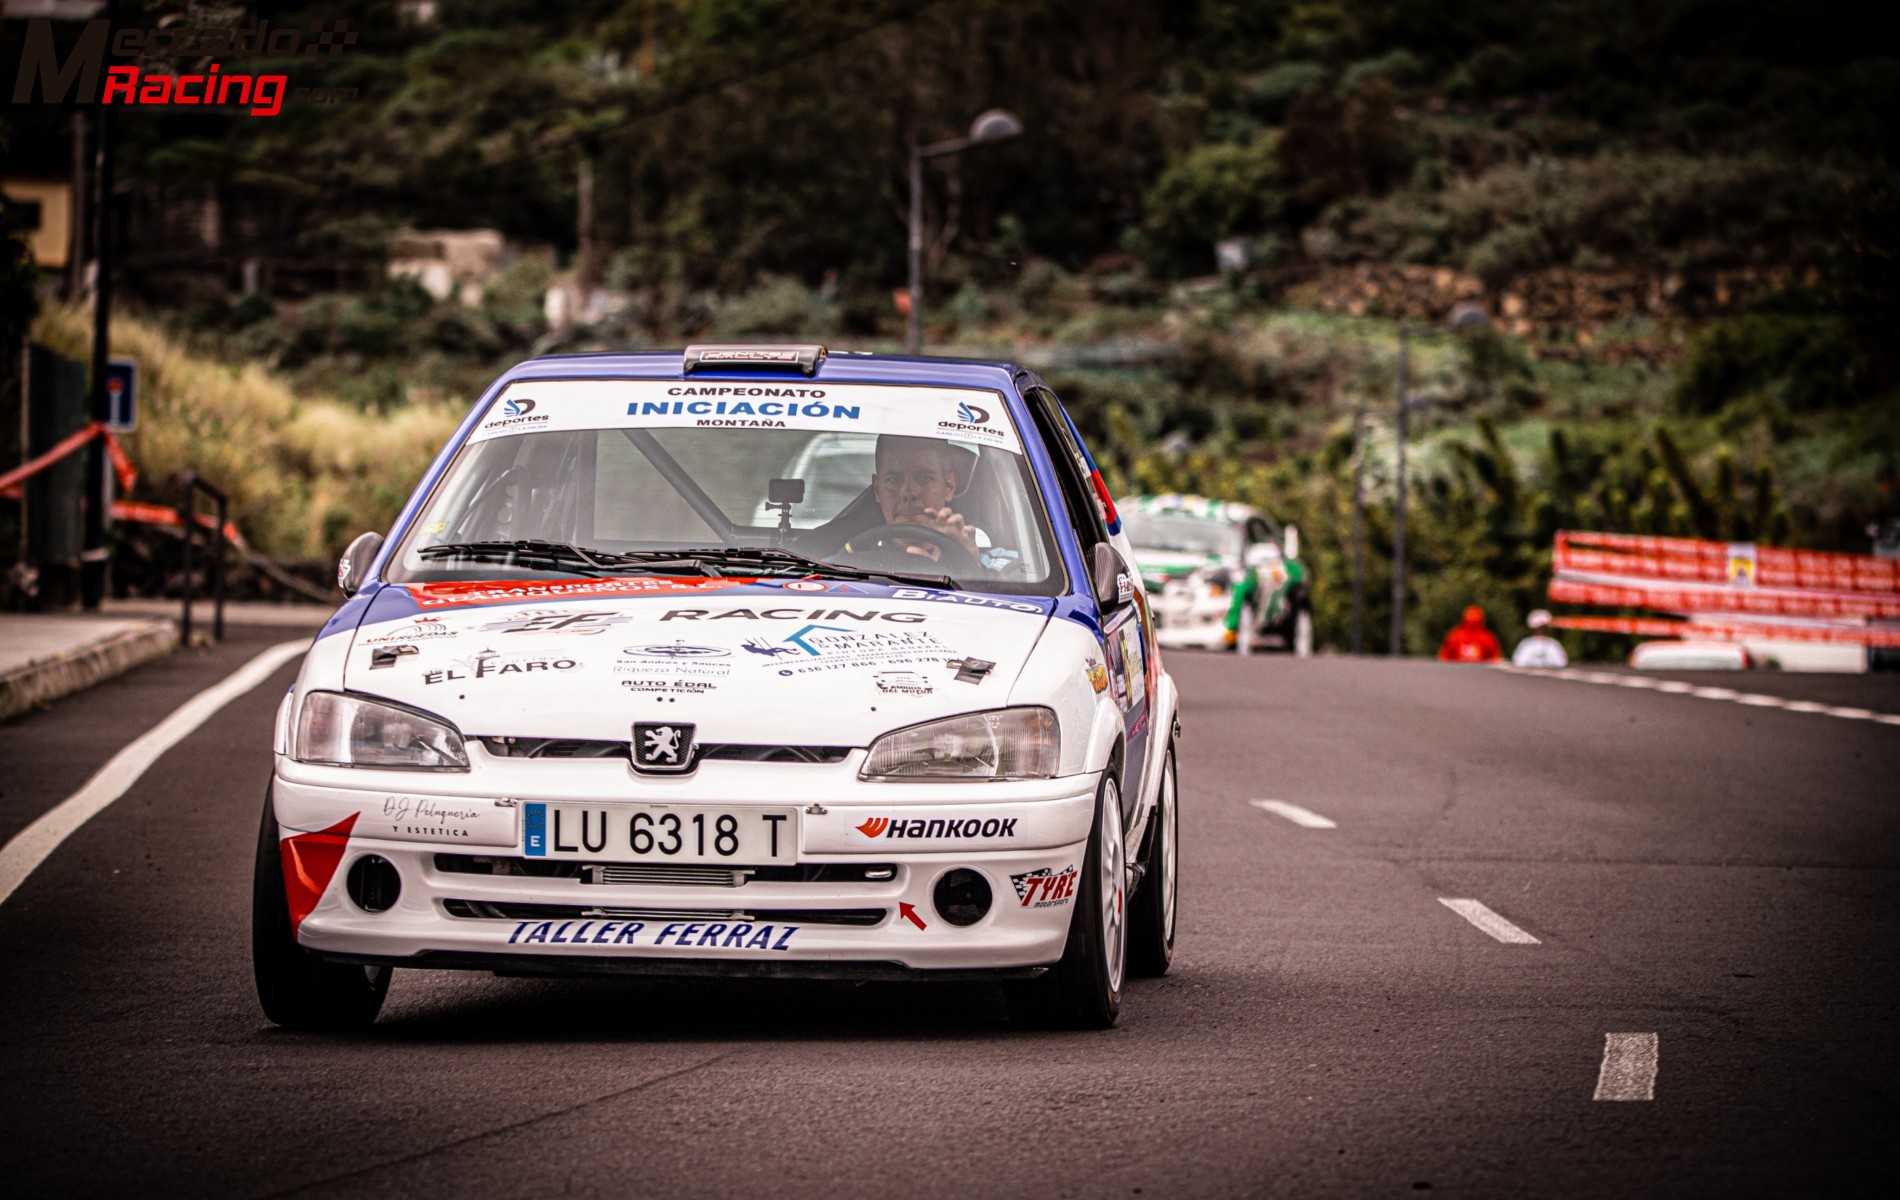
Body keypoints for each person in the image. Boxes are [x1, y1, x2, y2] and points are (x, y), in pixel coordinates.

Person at [848, 434, 982, 563]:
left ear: (949, 486)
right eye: (893, 480)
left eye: (925, 478)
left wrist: (968, 567)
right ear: (877, 489)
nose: (909, 493)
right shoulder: (849, 566)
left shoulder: (990, 565)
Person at [1438, 605, 1503, 663]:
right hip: (1458, 670)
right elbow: (1444, 657)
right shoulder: (1455, 636)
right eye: (1470, 622)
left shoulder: (1487, 638)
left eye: (1475, 623)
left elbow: (1496, 659)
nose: (1472, 625)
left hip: (1480, 671)